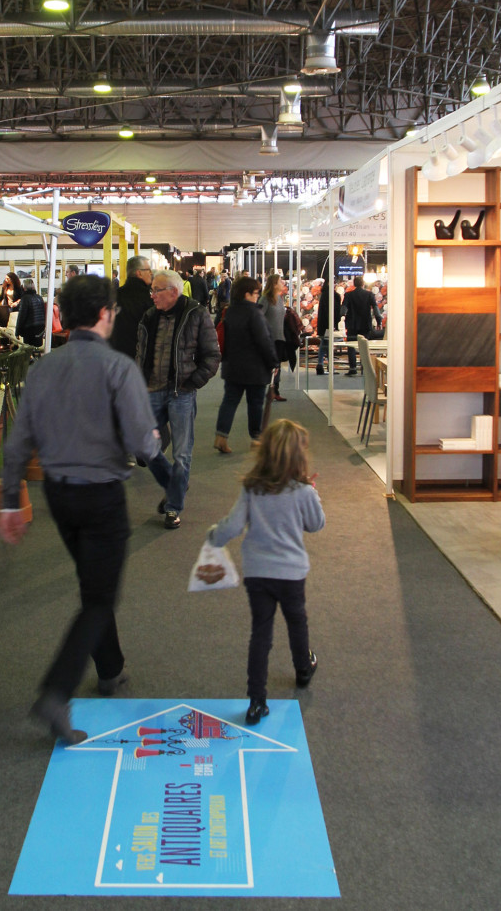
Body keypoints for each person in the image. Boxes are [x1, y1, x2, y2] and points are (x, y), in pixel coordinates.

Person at [0, 275, 160, 745]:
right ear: (106, 313)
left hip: (59, 495)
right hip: (103, 495)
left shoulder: (44, 369)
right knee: (98, 599)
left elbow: (17, 444)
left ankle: (110, 668)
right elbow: (140, 443)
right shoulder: (119, 368)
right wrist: (154, 441)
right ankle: (56, 691)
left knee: (95, 583)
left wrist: (11, 501)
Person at [208, 419, 325, 725]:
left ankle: (257, 700)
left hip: (258, 574)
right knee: (297, 622)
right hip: (291, 574)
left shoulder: (252, 488)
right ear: (299, 456)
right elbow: (316, 524)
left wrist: (214, 536)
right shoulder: (303, 491)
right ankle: (303, 668)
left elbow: (232, 526)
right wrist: (314, 494)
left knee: (261, 633)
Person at [136, 269, 220, 529]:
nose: (152, 296)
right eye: (152, 290)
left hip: (181, 394)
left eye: (156, 291)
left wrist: (192, 383)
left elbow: (212, 356)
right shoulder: (149, 317)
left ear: (173, 291)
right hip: (151, 392)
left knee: (183, 453)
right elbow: (140, 355)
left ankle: (173, 507)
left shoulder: (196, 314)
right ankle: (176, 483)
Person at [213, 276, 279, 453]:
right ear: (247, 294)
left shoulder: (229, 311)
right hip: (254, 369)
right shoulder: (254, 313)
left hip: (232, 367)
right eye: (256, 293)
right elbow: (264, 341)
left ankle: (221, 436)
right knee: (255, 404)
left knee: (229, 402)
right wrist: (273, 362)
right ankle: (256, 438)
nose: (257, 296)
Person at [109, 254, 153, 359]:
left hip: (116, 354)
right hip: (140, 355)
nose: (151, 273)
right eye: (148, 270)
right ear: (139, 273)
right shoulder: (149, 298)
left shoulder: (114, 295)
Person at [341, 275, 382, 376]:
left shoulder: (348, 295)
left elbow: (343, 310)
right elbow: (376, 309)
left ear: (354, 284)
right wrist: (379, 321)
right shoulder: (369, 294)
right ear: (363, 284)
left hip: (352, 324)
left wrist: (340, 317)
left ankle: (353, 368)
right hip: (365, 324)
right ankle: (364, 368)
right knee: (364, 346)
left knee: (351, 346)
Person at [259, 273, 288, 401]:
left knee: (277, 365)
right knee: (268, 364)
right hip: (268, 337)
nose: (282, 283)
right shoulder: (265, 299)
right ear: (274, 284)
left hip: (279, 336)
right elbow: (259, 316)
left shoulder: (279, 299)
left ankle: (274, 390)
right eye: (280, 281)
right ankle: (265, 389)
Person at [315, 279, 343, 376]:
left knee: (324, 344)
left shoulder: (324, 294)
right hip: (328, 324)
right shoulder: (332, 295)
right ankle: (328, 366)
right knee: (327, 345)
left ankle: (320, 365)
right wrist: (334, 323)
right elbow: (333, 310)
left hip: (324, 324)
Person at [14, 277, 46, 347]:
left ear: (24, 288)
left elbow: (21, 317)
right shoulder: (39, 297)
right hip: (40, 328)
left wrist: (17, 332)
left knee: (28, 350)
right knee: (37, 350)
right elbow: (44, 313)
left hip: (29, 330)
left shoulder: (25, 299)